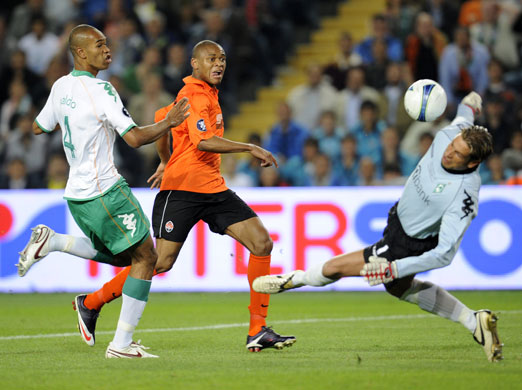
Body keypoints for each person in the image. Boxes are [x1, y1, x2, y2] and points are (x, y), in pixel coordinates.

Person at [63, 40, 295, 353]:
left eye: (222, 58)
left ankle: (257, 329)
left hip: (213, 188)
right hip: (182, 190)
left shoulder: (203, 94)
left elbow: (163, 117)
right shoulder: (194, 93)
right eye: (211, 58)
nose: (219, 64)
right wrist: (249, 147)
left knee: (262, 243)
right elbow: (203, 141)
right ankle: (91, 302)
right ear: (194, 64)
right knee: (159, 262)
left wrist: (163, 159)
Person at [253, 92, 503, 363]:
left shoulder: (464, 195)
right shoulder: (453, 133)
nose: (448, 152)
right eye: (452, 145)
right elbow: (464, 116)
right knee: (398, 289)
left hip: (409, 244)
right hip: (398, 224)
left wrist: (393, 267)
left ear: (473, 163)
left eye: (457, 154)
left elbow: (444, 253)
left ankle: (292, 280)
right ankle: (473, 321)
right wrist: (471, 102)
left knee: (335, 268)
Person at [15, 24, 190, 359]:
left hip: (77, 196)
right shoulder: (102, 91)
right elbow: (135, 138)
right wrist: (170, 121)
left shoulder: (60, 86)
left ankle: (55, 242)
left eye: (107, 44)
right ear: (80, 52)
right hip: (106, 191)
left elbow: (39, 127)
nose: (108, 50)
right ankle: (121, 345)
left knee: (131, 258)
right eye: (99, 45)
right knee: (147, 258)